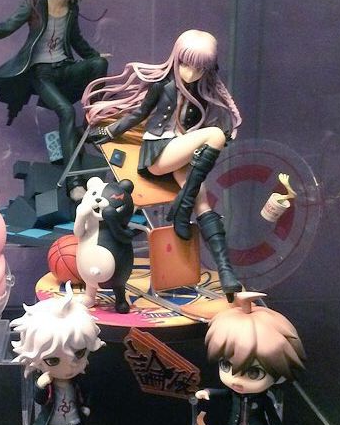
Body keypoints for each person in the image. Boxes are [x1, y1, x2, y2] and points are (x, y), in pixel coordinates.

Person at [83, 29, 243, 299]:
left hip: (180, 155)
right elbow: (139, 114)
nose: (191, 73)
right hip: (158, 154)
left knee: (203, 203)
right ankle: (182, 206)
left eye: (200, 68)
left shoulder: (200, 92)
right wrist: (109, 132)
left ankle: (227, 272)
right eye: (185, 64)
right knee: (215, 135)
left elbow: (195, 127)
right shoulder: (162, 86)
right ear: (175, 59)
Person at [0, 0, 109, 201]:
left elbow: (76, 39)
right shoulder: (35, 1)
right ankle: (74, 182)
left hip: (64, 67)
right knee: (65, 112)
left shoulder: (72, 7)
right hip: (41, 73)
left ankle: (90, 125)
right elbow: (10, 24)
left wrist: (94, 57)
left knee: (100, 64)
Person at [195, 292, 306, 425]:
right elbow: (224, 394)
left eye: (254, 373)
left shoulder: (263, 399)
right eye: (226, 365)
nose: (237, 379)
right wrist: (207, 392)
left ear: (280, 376)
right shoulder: (234, 393)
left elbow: (272, 415)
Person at [11, 283, 105, 425]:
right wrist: (40, 385)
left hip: (73, 419)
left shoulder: (78, 381)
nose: (70, 366)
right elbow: (39, 400)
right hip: (51, 420)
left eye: (79, 353)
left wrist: (86, 406)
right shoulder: (47, 382)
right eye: (53, 360)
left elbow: (88, 391)